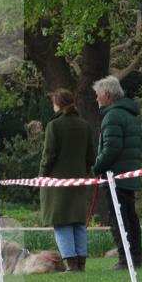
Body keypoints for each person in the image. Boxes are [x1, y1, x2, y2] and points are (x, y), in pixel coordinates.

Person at [39, 89, 96, 272]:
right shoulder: (84, 125)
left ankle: (71, 265)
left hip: (57, 183)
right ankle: (81, 263)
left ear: (58, 104)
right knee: (78, 222)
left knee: (62, 222)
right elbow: (90, 157)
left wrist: (42, 176)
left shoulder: (54, 126)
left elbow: (49, 155)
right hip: (79, 181)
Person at [92, 76, 142, 270]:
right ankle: (135, 258)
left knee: (119, 219)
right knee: (130, 217)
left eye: (98, 95)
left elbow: (111, 148)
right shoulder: (130, 114)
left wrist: (97, 167)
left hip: (116, 176)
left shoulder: (112, 116)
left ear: (107, 95)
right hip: (129, 174)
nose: (96, 99)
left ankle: (125, 259)